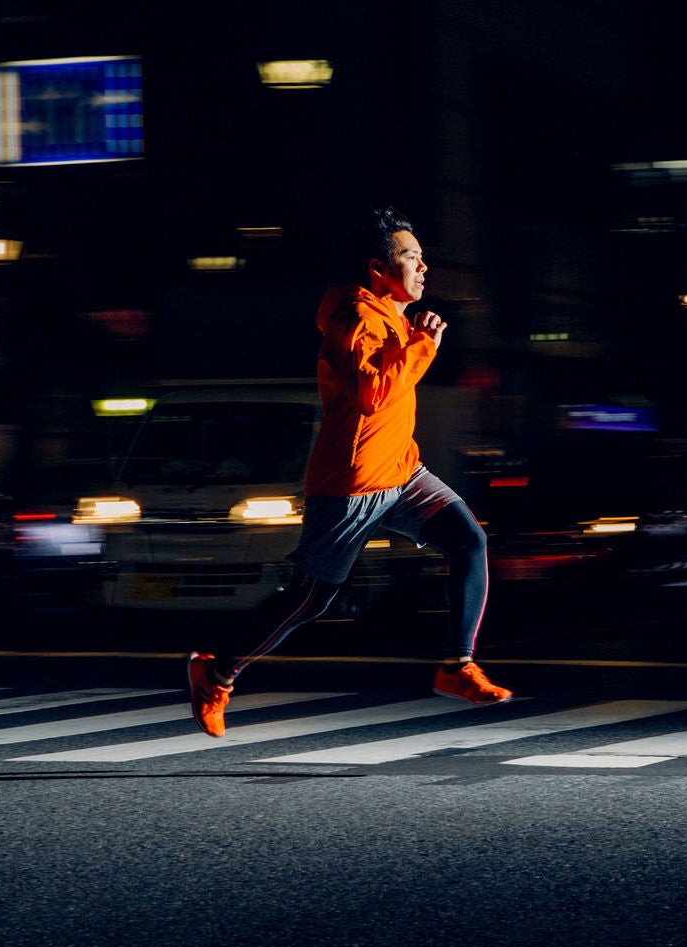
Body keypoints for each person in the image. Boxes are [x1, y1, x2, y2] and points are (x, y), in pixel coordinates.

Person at [185, 206, 511, 736]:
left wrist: (413, 340)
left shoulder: (391, 314)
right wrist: (424, 346)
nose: (424, 267)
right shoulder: (356, 320)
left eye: (423, 258)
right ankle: (216, 673)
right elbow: (372, 395)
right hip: (352, 482)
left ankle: (457, 667)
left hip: (402, 471)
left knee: (469, 541)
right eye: (412, 258)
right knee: (309, 601)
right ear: (379, 269)